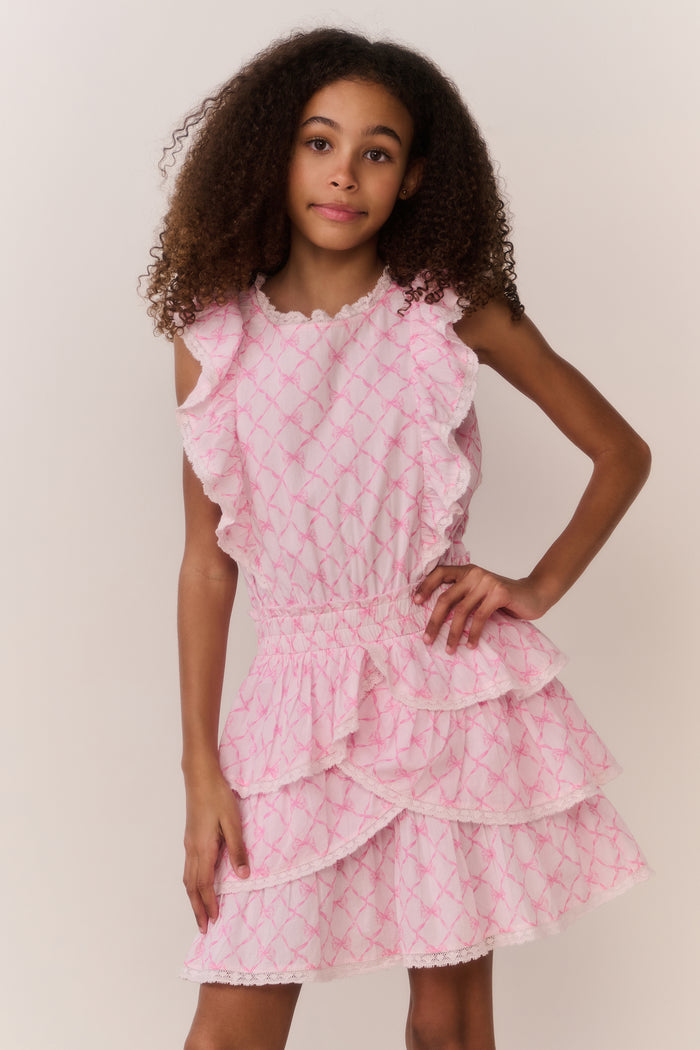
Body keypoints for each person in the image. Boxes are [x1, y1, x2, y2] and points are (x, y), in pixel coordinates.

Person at [142, 26, 652, 1050]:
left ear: (415, 175)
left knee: (447, 1024)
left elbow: (620, 453)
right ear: (270, 156)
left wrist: (534, 587)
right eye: (318, 142)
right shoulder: (215, 341)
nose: (344, 173)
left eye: (376, 151)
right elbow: (207, 562)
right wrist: (202, 773)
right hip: (291, 707)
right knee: (232, 1022)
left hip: (442, 685)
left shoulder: (446, 315)